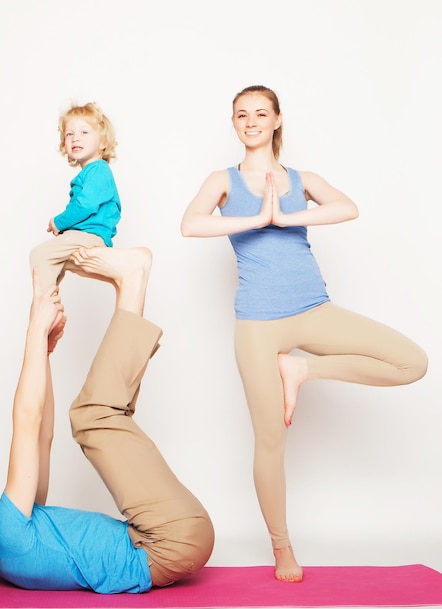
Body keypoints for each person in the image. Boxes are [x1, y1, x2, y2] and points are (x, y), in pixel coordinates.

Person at [180, 85, 428, 583]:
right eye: (241, 115)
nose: (250, 122)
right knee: (270, 440)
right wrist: (256, 218)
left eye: (260, 114)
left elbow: (347, 207)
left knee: (411, 362)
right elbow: (189, 224)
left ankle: (302, 369)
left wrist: (286, 216)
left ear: (276, 120)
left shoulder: (301, 179)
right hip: (257, 323)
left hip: (314, 309)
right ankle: (283, 549)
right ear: (234, 124)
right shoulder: (223, 181)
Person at [0, 247, 214, 596]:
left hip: (167, 541)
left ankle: (130, 285)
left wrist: (44, 352)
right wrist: (34, 328)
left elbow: (41, 437)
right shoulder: (10, 535)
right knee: (93, 416)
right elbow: (26, 422)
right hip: (166, 541)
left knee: (100, 415)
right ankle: (132, 279)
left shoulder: (13, 545)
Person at [29, 102, 122, 292]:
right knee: (52, 264)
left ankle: (45, 305)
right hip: (84, 235)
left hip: (91, 237)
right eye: (69, 134)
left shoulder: (98, 170)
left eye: (84, 132)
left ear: (103, 142)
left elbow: (84, 205)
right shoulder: (91, 172)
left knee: (39, 255)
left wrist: (58, 222)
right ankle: (49, 302)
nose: (75, 138)